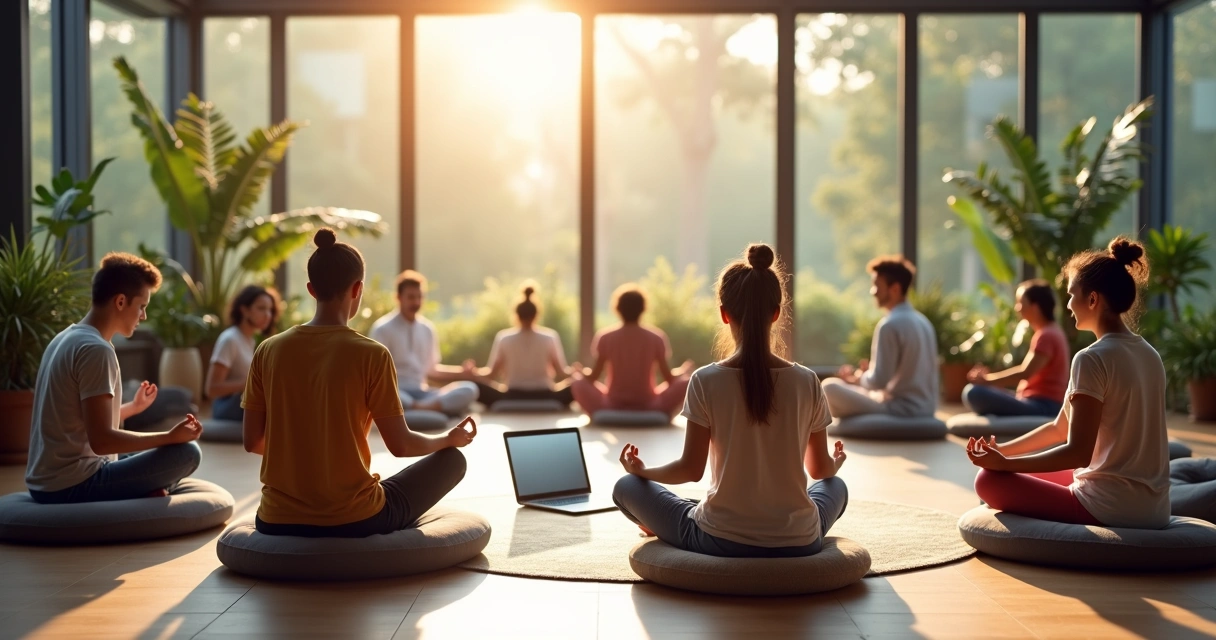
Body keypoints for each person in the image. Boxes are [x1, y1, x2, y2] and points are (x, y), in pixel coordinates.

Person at [612, 244, 849, 558]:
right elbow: (820, 471)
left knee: (626, 487)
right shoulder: (807, 380)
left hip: (719, 539)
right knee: (836, 486)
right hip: (800, 540)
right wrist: (837, 462)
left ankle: (664, 523)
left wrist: (643, 472)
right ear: (776, 313)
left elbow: (690, 469)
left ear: (724, 314)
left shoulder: (705, 380)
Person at [242, 229, 477, 538]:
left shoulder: (268, 350)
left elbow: (252, 441)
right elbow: (401, 445)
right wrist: (447, 439)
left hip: (276, 519)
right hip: (354, 518)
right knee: (451, 462)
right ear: (357, 289)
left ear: (311, 289)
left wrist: (303, 457)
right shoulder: (372, 354)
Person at [967, 238, 1169, 529]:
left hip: (1110, 508)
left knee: (988, 480)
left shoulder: (1091, 358)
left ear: (1093, 299)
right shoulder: (1150, 355)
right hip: (1155, 509)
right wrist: (1002, 451)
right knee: (1001, 472)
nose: (1069, 305)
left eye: (1072, 295)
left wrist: (1005, 465)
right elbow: (1059, 428)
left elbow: (1078, 453)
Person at [25, 253, 203, 504]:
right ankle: (145, 489)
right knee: (187, 454)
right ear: (120, 301)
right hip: (72, 484)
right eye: (142, 307)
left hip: (48, 480)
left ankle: (146, 488)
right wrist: (169, 436)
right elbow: (102, 441)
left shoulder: (66, 338)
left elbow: (79, 421)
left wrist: (133, 408)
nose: (143, 316)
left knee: (150, 456)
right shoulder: (95, 350)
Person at [822, 255, 938, 418]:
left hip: (901, 409)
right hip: (927, 408)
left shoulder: (889, 325)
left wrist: (859, 378)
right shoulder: (924, 322)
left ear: (895, 289)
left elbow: (879, 381)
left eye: (877, 286)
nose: (873, 292)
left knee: (829, 388)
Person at [570, 284, 693, 418]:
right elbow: (668, 378)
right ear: (643, 309)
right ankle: (660, 412)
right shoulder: (656, 337)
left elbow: (594, 377)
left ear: (617, 309)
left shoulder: (605, 337)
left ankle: (604, 413)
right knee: (687, 381)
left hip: (612, 403)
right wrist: (682, 372)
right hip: (648, 404)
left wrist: (580, 372)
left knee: (577, 382)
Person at [370, 270, 478, 416]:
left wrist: (462, 372)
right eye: (411, 297)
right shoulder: (382, 329)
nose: (416, 302)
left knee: (470, 388)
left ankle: (418, 408)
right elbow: (376, 377)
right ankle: (431, 409)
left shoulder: (427, 329)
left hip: (424, 394)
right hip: (398, 392)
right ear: (398, 297)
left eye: (419, 297)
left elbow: (432, 370)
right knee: (387, 393)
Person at [962, 280, 1070, 417]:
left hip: (1044, 406)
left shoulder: (1047, 335)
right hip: (1037, 401)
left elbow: (1025, 372)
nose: (1017, 308)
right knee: (975, 391)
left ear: (1035, 307)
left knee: (974, 392)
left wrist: (987, 380)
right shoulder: (1052, 331)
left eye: (1020, 303)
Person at [463, 284, 574, 408]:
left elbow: (490, 374)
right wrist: (577, 374)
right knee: (578, 385)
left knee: (473, 386)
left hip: (511, 395)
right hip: (545, 394)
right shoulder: (550, 337)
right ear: (536, 315)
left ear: (516, 315)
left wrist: (474, 372)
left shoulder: (504, 337)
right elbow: (562, 372)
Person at [206, 285, 280, 421]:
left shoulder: (250, 340)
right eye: (261, 308)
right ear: (245, 310)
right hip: (227, 406)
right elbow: (212, 389)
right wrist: (253, 383)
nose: (268, 315)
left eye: (270, 310)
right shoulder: (230, 339)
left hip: (243, 404)